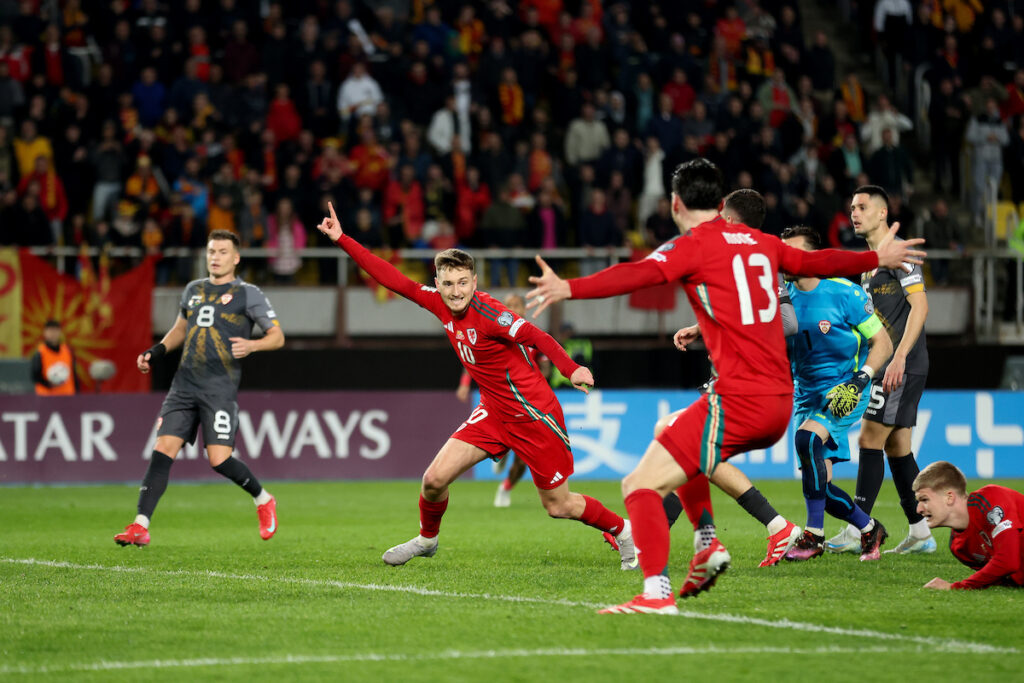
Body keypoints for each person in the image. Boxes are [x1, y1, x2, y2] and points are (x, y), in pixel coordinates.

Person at [526, 158, 926, 613]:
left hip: (741, 396)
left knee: (638, 486)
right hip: (777, 398)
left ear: (675, 203)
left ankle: (657, 593)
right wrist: (878, 257)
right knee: (675, 437)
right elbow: (816, 261)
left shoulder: (691, 246)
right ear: (719, 203)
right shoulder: (761, 244)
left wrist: (568, 288)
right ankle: (707, 543)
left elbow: (634, 274)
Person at [316, 202, 638, 570]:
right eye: (448, 284)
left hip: (533, 414)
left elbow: (536, 335)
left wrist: (570, 368)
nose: (455, 292)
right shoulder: (437, 303)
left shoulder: (490, 314)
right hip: (494, 413)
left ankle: (623, 530)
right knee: (434, 480)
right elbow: (393, 279)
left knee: (558, 506)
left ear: (474, 282)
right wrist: (342, 239)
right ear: (438, 283)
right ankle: (427, 540)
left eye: (463, 283)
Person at [654, 188, 803, 573]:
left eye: (722, 217)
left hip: (747, 383)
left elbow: (788, 323)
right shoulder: (749, 259)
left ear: (732, 221)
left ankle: (776, 525)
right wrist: (702, 328)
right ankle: (776, 526)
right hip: (735, 377)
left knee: (686, 441)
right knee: (692, 450)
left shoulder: (760, 260)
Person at [113, 230, 285, 547]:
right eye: (211, 251)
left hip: (218, 387)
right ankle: (140, 525)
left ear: (235, 258)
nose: (215, 257)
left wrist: (253, 345)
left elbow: (277, 336)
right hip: (184, 384)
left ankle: (263, 499)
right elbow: (181, 328)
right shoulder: (193, 289)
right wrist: (155, 352)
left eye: (222, 252)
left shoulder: (248, 294)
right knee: (163, 450)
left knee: (219, 460)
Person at [826, 185, 936, 556]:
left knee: (869, 439)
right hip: (891, 363)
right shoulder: (870, 261)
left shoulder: (900, 254)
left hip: (900, 365)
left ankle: (858, 528)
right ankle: (921, 531)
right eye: (851, 206)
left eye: (861, 207)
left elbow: (919, 307)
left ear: (881, 214)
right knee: (896, 447)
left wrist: (900, 356)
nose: (854, 213)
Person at [777, 225, 892, 562]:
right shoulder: (783, 298)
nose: (785, 259)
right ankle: (869, 528)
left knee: (807, 441)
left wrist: (861, 379)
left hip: (846, 389)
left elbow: (881, 342)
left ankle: (813, 537)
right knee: (821, 487)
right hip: (806, 394)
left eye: (793, 252)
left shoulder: (845, 293)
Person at [454, 293, 533, 508]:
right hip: (497, 402)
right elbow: (472, 359)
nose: (511, 308)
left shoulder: (531, 338)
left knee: (524, 460)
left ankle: (505, 486)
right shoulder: (493, 334)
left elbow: (543, 369)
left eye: (516, 305)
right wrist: (463, 383)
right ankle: (502, 451)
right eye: (508, 305)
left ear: (525, 310)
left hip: (526, 405)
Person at [913, 461, 1024, 590]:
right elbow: (999, 576)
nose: (918, 509)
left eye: (924, 499)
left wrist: (957, 587)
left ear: (949, 497)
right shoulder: (959, 547)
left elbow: (1008, 562)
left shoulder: (991, 499)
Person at [31, 320, 77, 395]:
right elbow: (35, 376)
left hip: (67, 395)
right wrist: (48, 384)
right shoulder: (40, 352)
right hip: (47, 397)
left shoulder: (68, 351)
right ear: (45, 333)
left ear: (60, 332)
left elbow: (74, 374)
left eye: (55, 331)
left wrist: (77, 394)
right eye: (50, 331)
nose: (53, 334)